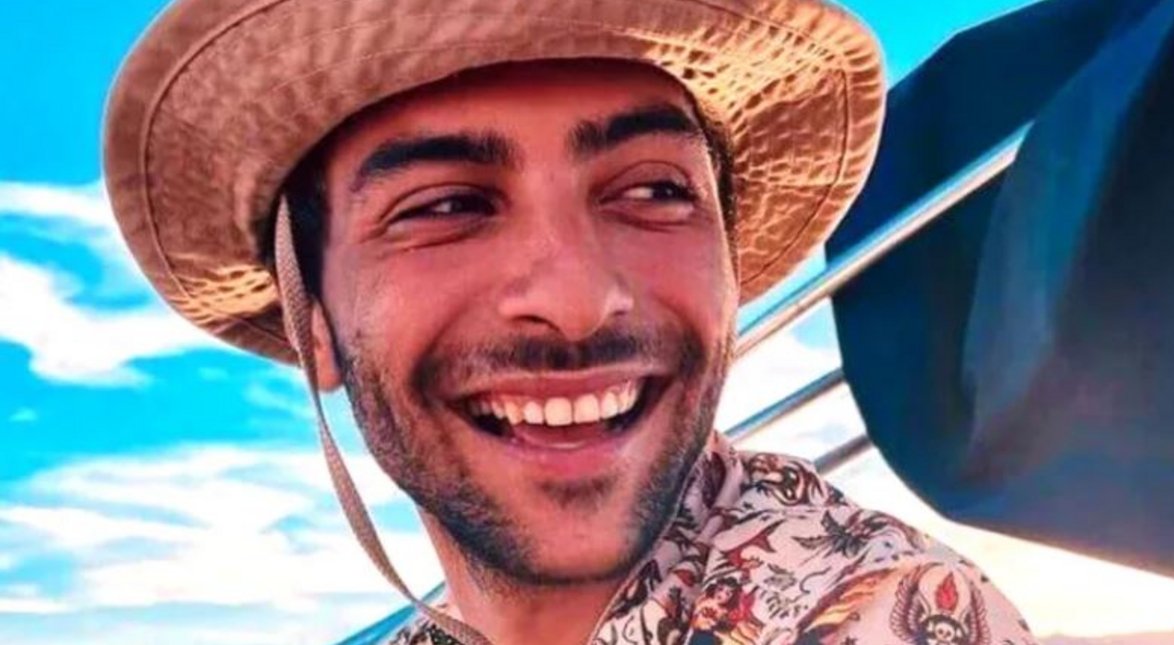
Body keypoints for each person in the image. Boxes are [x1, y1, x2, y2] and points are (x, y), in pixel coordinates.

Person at [103, 0, 1039, 643]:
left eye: (654, 191)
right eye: (446, 206)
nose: (578, 298)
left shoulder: (878, 612)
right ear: (314, 325)